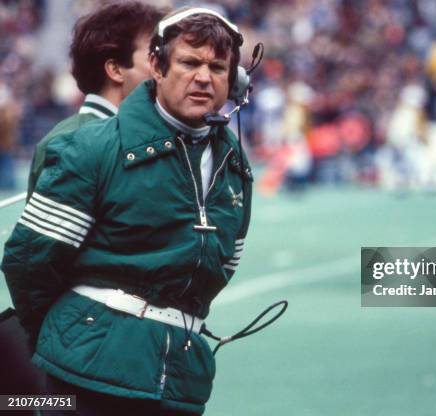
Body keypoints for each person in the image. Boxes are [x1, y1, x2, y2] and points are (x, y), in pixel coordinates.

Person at [2, 6, 252, 415]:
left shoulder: (236, 167)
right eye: (189, 63)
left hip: (180, 383)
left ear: (235, 80)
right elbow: (29, 262)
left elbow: (221, 266)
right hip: (84, 376)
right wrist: (77, 331)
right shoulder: (90, 146)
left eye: (217, 67)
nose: (203, 77)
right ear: (157, 65)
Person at [26, 1, 164, 197]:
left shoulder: (143, 135)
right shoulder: (69, 143)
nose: (165, 68)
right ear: (115, 70)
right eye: (154, 57)